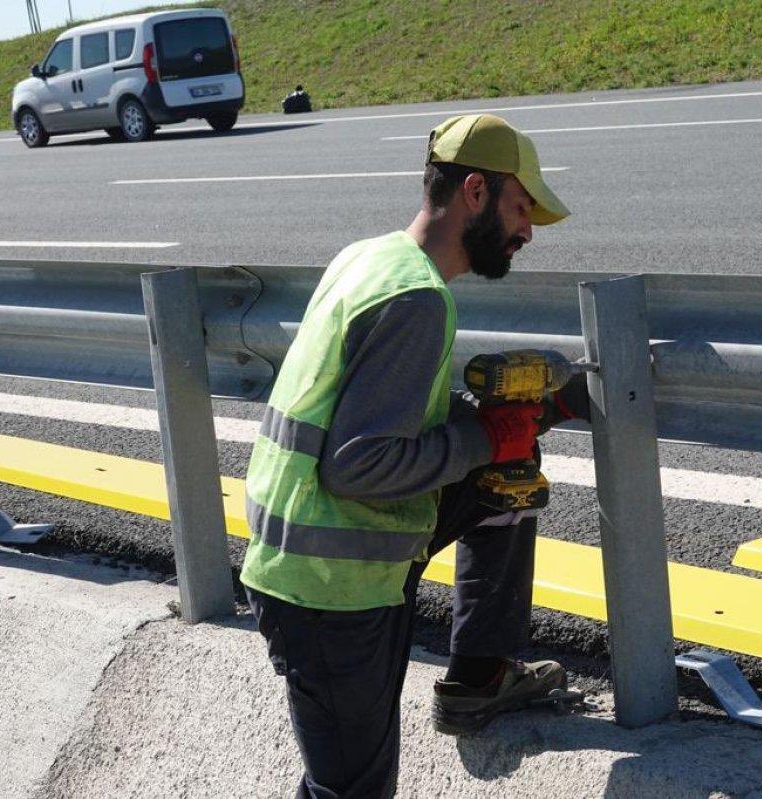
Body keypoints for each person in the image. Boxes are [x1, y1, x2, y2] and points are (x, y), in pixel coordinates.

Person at [240, 113, 586, 798]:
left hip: (322, 552)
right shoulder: (418, 300)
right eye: (522, 207)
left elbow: (376, 419)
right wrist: (486, 436)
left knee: (508, 479)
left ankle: (481, 671)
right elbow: (358, 462)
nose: (527, 231)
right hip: (330, 586)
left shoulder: (370, 258)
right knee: (353, 790)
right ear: (477, 193)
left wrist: (510, 429)